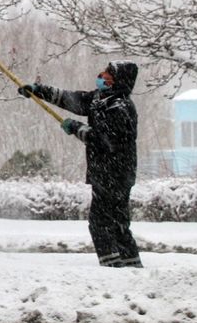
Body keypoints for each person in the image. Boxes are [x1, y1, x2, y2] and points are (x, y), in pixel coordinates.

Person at [19, 62, 143, 268]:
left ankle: (112, 267)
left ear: (118, 80)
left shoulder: (120, 107)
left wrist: (76, 128)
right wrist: (39, 91)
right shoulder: (100, 100)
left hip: (115, 174)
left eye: (108, 74)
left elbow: (105, 140)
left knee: (101, 223)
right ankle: (131, 266)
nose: (101, 75)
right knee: (117, 224)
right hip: (106, 173)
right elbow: (74, 99)